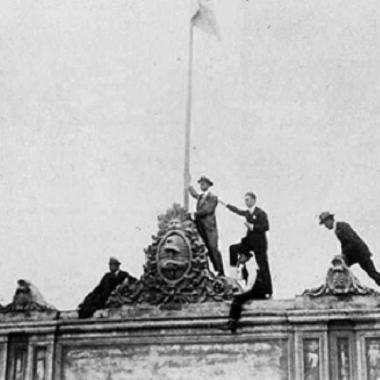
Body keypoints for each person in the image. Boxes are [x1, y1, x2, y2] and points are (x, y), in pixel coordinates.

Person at [222, 192, 272, 297]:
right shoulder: (247, 213)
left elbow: (266, 227)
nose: (246, 202)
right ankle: (234, 275)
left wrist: (253, 227)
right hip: (249, 242)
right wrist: (225, 204)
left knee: (263, 266)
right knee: (233, 249)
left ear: (254, 200)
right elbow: (238, 211)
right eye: (245, 200)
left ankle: (268, 291)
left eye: (248, 199)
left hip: (259, 244)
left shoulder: (260, 213)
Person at [319, 211, 380, 286]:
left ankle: (344, 285)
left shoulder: (342, 226)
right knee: (341, 265)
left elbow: (351, 241)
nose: (325, 226)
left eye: (325, 223)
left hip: (360, 253)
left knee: (372, 273)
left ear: (329, 220)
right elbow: (345, 244)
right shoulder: (338, 229)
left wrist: (343, 254)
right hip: (354, 253)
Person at [223, 251, 267, 333]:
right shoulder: (246, 266)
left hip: (257, 290)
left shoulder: (251, 265)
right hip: (255, 290)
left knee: (238, 299)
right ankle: (232, 322)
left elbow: (251, 281)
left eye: (240, 256)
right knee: (238, 298)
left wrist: (244, 292)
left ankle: (233, 322)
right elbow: (239, 279)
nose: (239, 259)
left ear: (246, 256)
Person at [188, 176, 224, 276]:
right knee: (202, 249)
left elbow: (208, 210)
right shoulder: (200, 196)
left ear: (208, 185)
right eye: (200, 183)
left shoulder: (213, 197)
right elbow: (194, 194)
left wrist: (194, 214)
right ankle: (207, 272)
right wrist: (188, 184)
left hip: (210, 228)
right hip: (200, 227)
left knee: (213, 248)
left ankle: (220, 271)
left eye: (204, 183)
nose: (202, 185)